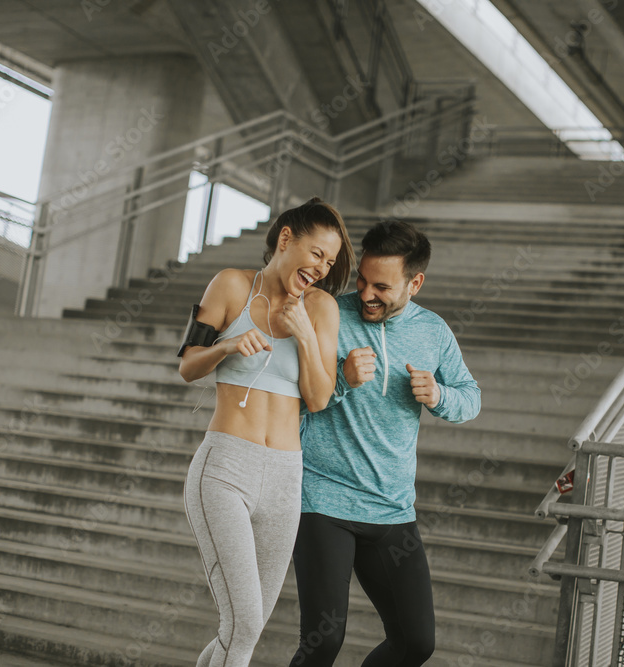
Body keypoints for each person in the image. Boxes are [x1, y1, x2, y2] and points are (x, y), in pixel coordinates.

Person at [289, 220, 482, 667]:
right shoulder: (330, 312)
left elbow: (470, 397)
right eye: (362, 279)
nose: (366, 293)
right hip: (323, 500)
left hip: (392, 508)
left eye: (382, 285)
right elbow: (290, 400)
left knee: (416, 643)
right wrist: (341, 379)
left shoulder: (433, 332)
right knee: (324, 640)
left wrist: (439, 396)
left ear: (415, 283)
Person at [179, 197, 355, 667]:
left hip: (284, 476)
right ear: (285, 239)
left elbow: (318, 398)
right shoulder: (231, 285)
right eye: (316, 253)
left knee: (242, 633)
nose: (322, 268)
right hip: (224, 469)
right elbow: (188, 366)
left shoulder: (320, 310)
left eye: (330, 261)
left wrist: (302, 334)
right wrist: (229, 345)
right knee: (244, 624)